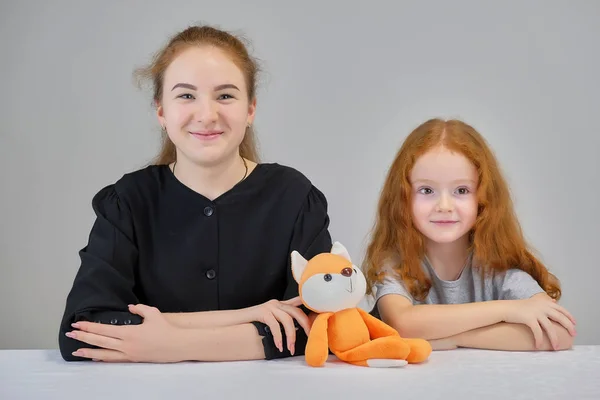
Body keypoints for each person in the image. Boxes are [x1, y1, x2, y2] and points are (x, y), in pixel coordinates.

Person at [58, 25, 332, 363]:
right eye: (186, 95)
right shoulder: (128, 201)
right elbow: (83, 330)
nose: (206, 115)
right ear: (161, 111)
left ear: (250, 109)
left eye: (225, 95)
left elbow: (317, 325)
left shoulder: (295, 197)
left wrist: (169, 343)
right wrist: (250, 317)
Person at [362, 118, 576, 352]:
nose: (444, 205)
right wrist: (507, 310)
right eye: (427, 190)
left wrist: (454, 339)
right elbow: (402, 323)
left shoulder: (499, 268)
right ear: (403, 198)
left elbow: (559, 333)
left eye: (461, 190)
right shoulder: (396, 265)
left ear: (483, 199)